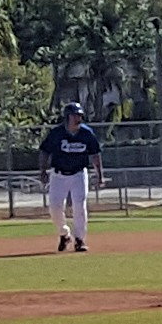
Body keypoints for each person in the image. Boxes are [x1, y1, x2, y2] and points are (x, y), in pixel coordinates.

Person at [39, 101, 101, 252]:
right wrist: (42, 170)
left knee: (79, 205)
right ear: (67, 117)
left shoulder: (86, 133)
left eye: (80, 115)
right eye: (75, 115)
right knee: (54, 208)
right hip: (58, 175)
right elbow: (44, 151)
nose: (78, 118)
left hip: (79, 174)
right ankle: (64, 234)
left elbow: (95, 154)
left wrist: (100, 175)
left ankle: (79, 239)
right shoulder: (57, 133)